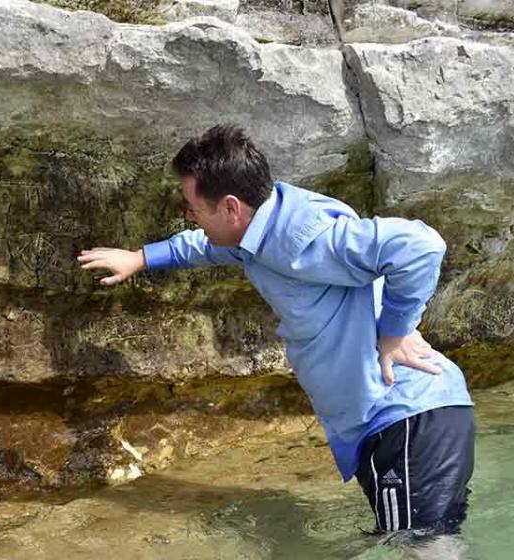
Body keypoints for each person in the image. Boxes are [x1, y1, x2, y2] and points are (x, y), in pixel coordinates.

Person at [77, 125, 475, 535]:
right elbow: (205, 246)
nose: (188, 215)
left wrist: (395, 329)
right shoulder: (259, 231)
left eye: (192, 206)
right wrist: (142, 257)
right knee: (420, 542)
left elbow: (420, 246)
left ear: (231, 207)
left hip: (404, 418)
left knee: (422, 548)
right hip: (400, 422)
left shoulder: (303, 237)